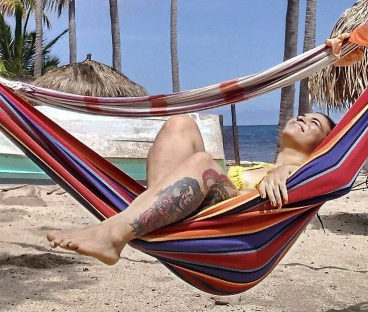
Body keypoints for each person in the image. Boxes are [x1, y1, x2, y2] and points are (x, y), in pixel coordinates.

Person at [46, 108, 336, 265]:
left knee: (203, 163)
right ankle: (135, 223)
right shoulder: (259, 168)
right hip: (185, 214)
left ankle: (113, 234)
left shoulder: (302, 176)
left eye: (315, 123)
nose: (303, 118)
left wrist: (286, 170)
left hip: (229, 233)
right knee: (180, 123)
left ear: (323, 145)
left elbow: (315, 180)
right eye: (303, 115)